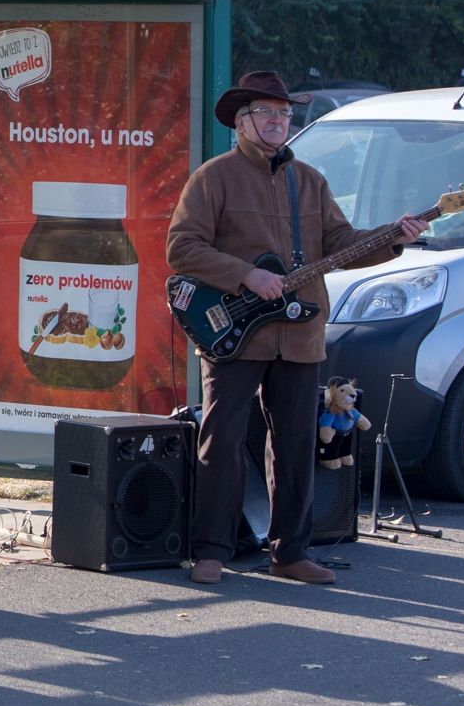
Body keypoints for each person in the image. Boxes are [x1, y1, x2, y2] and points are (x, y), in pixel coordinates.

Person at [167, 71, 426, 585]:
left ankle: (290, 552)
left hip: (301, 331)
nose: (277, 121)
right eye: (266, 112)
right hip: (234, 331)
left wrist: (394, 237)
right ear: (241, 122)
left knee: (296, 444)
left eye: (284, 113)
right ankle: (211, 550)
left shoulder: (309, 180)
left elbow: (342, 243)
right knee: (222, 439)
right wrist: (246, 274)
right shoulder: (213, 177)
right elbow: (182, 248)